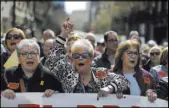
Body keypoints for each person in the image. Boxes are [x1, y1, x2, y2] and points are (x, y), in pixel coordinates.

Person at [45, 20, 129, 96]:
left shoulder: (99, 74)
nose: (80, 58)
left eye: (84, 55)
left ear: (91, 58)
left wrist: (110, 88)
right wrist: (63, 34)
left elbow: (124, 81)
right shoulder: (67, 74)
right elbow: (51, 61)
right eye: (76, 56)